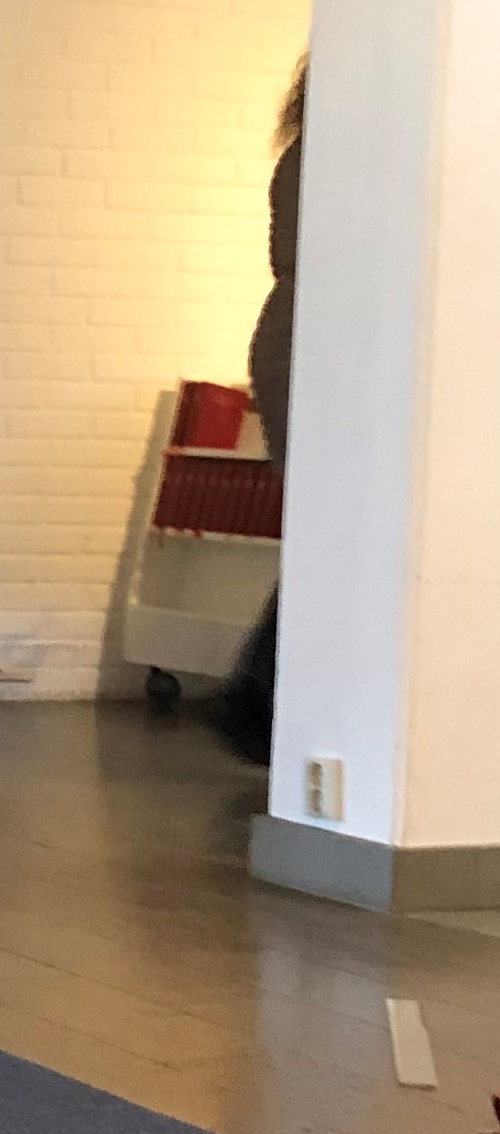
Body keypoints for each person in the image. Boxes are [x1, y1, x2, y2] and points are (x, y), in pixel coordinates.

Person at [216, 57, 305, 764]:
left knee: (326, 534)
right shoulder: (356, 144)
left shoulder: (307, 146)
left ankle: (260, 697)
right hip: (323, 340)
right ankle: (259, 696)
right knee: (341, 535)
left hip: (293, 338)